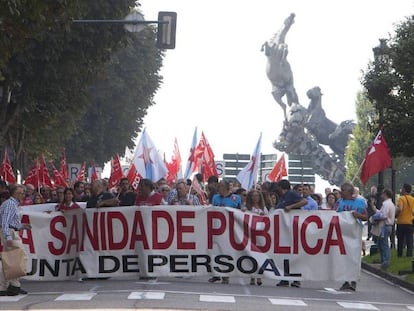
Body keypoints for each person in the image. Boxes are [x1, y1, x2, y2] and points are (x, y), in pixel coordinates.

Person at [274, 179, 307, 288]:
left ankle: (295, 279)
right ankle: (285, 278)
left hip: (293, 229)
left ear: (281, 187)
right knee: (285, 255)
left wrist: (290, 207)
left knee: (293, 254)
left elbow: (304, 202)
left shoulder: (291, 194)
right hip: (285, 229)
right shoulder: (283, 197)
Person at [0, 184, 31, 296]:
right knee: (20, 258)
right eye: (21, 193)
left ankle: (5, 286)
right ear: (14, 193)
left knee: (11, 260)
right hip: (10, 233)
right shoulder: (10, 204)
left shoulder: (13, 204)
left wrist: (22, 226)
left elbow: (11, 221)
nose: (23, 195)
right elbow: (5, 222)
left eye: (23, 193)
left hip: (13, 231)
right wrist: (8, 237)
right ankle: (14, 285)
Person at [208, 180, 242, 284]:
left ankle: (225, 274)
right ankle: (216, 274)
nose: (219, 188)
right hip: (216, 229)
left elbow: (240, 212)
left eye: (222, 186)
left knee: (226, 252)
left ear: (227, 187)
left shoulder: (236, 198)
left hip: (230, 229)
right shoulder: (215, 197)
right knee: (215, 251)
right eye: (219, 186)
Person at [336, 182, 367, 291]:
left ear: (349, 191)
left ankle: (353, 281)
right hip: (342, 233)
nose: (340, 192)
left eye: (342, 190)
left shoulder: (360, 202)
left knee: (353, 257)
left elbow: (366, 217)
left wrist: (358, 215)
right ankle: (345, 280)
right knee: (343, 258)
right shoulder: (339, 202)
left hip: (354, 234)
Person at [245, 189, 268, 286]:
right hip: (251, 234)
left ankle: (259, 276)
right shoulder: (247, 207)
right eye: (253, 196)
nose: (255, 198)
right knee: (251, 256)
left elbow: (268, 219)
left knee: (260, 256)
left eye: (257, 196)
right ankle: (252, 277)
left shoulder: (264, 208)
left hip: (261, 234)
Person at [371, 189, 395, 270]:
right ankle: (384, 260)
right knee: (381, 244)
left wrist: (375, 217)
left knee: (383, 244)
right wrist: (376, 210)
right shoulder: (390, 204)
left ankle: (385, 262)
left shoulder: (386, 204)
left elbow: (383, 215)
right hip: (387, 226)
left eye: (382, 194)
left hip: (385, 226)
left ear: (385, 194)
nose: (381, 196)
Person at [396, 183, 414, 257]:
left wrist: (396, 213)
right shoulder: (413, 199)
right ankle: (409, 254)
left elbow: (400, 209)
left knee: (400, 240)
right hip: (410, 222)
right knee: (409, 240)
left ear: (404, 189)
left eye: (402, 188)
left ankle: (400, 254)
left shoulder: (401, 198)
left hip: (401, 222)